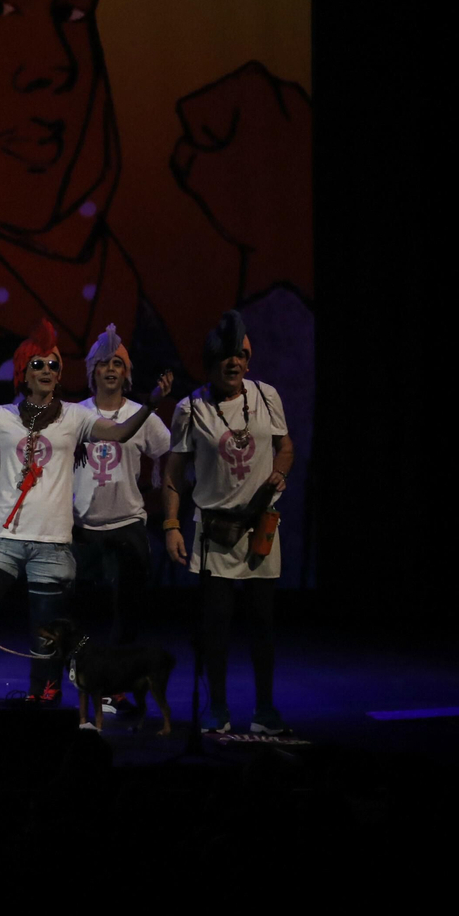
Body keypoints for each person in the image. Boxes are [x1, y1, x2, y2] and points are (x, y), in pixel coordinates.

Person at [0, 319, 170, 731]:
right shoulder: (2, 417)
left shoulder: (75, 417)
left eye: (54, 365)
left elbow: (119, 432)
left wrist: (151, 404)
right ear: (24, 372)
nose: (47, 370)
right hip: (4, 539)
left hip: (52, 545)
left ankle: (43, 695)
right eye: (38, 363)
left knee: (46, 632)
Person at [163, 310, 293, 735]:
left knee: (262, 623)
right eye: (226, 356)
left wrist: (280, 471)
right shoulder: (191, 408)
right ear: (211, 362)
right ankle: (216, 707)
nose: (234, 363)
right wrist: (171, 524)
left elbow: (285, 446)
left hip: (260, 527)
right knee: (215, 625)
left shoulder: (266, 396)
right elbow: (174, 472)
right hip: (215, 532)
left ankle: (265, 709)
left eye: (241, 355)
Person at [71, 324, 168, 714]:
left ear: (126, 373)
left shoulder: (141, 415)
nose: (110, 369)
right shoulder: (76, 414)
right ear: (92, 371)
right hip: (83, 527)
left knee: (126, 612)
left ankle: (118, 687)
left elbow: (169, 451)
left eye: (117, 364)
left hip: (127, 524)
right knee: (81, 611)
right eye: (103, 364)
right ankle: (86, 682)